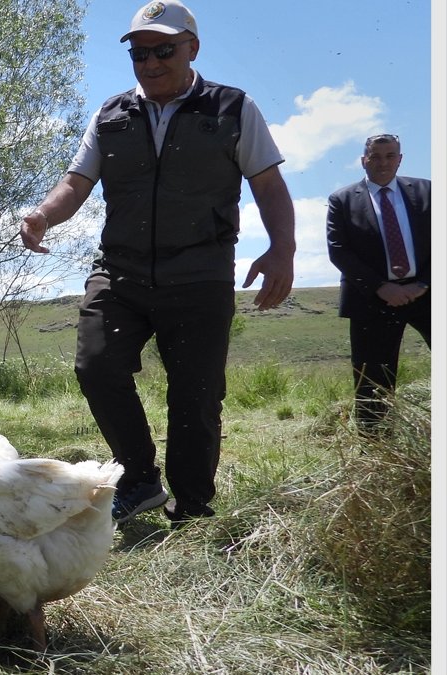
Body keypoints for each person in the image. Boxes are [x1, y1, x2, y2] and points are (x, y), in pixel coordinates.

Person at [18, 0, 295, 528]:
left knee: (195, 396)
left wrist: (282, 248)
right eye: (139, 53)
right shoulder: (111, 115)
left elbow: (268, 184)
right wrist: (41, 216)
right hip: (120, 272)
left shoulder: (233, 109)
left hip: (199, 273)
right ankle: (140, 479)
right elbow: (76, 183)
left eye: (163, 50)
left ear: (192, 48)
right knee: (95, 365)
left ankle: (191, 508)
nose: (150, 63)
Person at [326, 134, 431, 432]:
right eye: (376, 156)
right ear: (363, 160)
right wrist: (381, 287)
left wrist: (422, 283)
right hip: (371, 299)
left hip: (429, 292)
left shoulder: (428, 191)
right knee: (373, 384)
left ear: (400, 158)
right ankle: (376, 452)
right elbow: (339, 250)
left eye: (390, 156)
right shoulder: (342, 200)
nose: (383, 162)